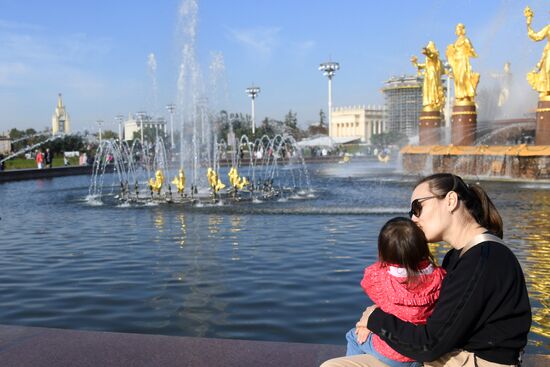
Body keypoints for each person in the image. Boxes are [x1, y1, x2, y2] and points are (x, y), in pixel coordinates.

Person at [322, 173, 531, 367]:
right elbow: (434, 323)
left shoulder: (484, 260)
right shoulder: (460, 255)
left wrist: (375, 319)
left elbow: (429, 345)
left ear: (450, 201)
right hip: (450, 357)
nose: (413, 218)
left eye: (417, 207)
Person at [345, 217, 445, 367]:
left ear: (383, 251)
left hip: (390, 351)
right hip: (418, 350)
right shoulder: (439, 275)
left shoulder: (380, 277)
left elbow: (366, 284)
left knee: (353, 335)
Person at [446, 23, 479, 103]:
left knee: (462, 78)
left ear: (461, 30)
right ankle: (460, 96)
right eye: (456, 30)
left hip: (463, 61)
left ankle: (465, 96)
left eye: (457, 30)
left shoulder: (465, 39)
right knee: (457, 80)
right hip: (457, 62)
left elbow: (471, 49)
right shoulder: (456, 41)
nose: (456, 31)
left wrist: (473, 52)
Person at [411, 41, 446, 111]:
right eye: (428, 47)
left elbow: (431, 55)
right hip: (427, 74)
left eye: (429, 47)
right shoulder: (428, 58)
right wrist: (416, 63)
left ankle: (433, 102)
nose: (428, 48)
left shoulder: (435, 55)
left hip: (433, 74)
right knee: (426, 89)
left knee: (433, 88)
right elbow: (424, 65)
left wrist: (427, 52)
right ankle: (428, 103)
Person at [524, 6, 550, 99]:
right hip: (549, 52)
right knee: (547, 70)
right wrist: (528, 24)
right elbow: (536, 37)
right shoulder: (548, 28)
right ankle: (547, 90)